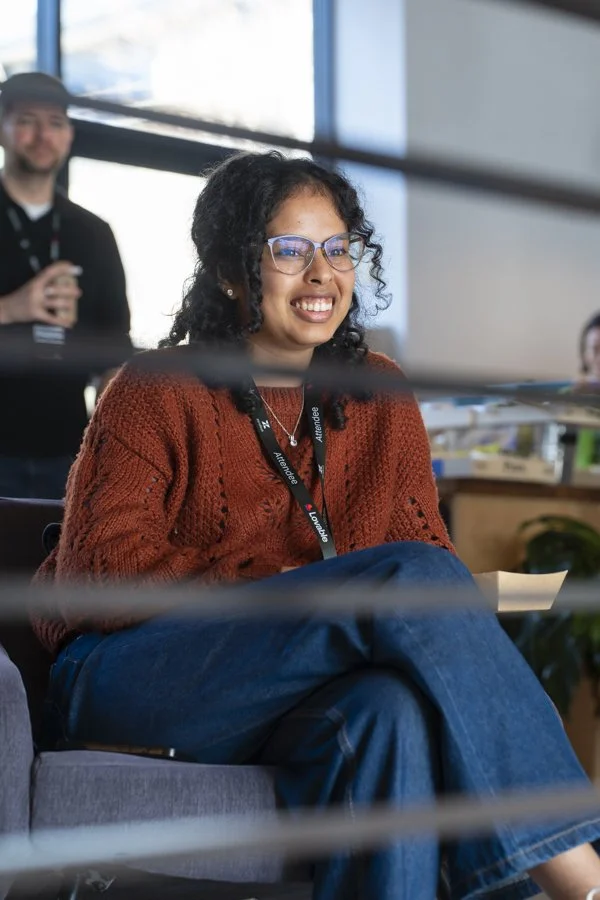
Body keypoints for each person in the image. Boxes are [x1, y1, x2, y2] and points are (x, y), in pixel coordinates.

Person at [32, 151, 600, 900]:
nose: (322, 274)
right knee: (408, 584)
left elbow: (422, 552)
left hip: (304, 678)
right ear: (234, 272)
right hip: (139, 673)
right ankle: (578, 877)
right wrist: (288, 585)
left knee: (387, 713)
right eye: (289, 251)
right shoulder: (154, 389)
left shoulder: (380, 396)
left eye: (337, 249)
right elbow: (96, 573)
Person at [0, 72, 131, 499]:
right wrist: (12, 308)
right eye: (27, 121)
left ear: (70, 135)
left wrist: (106, 445)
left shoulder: (93, 232)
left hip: (68, 450)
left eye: (55, 123)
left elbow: (115, 350)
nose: (43, 135)